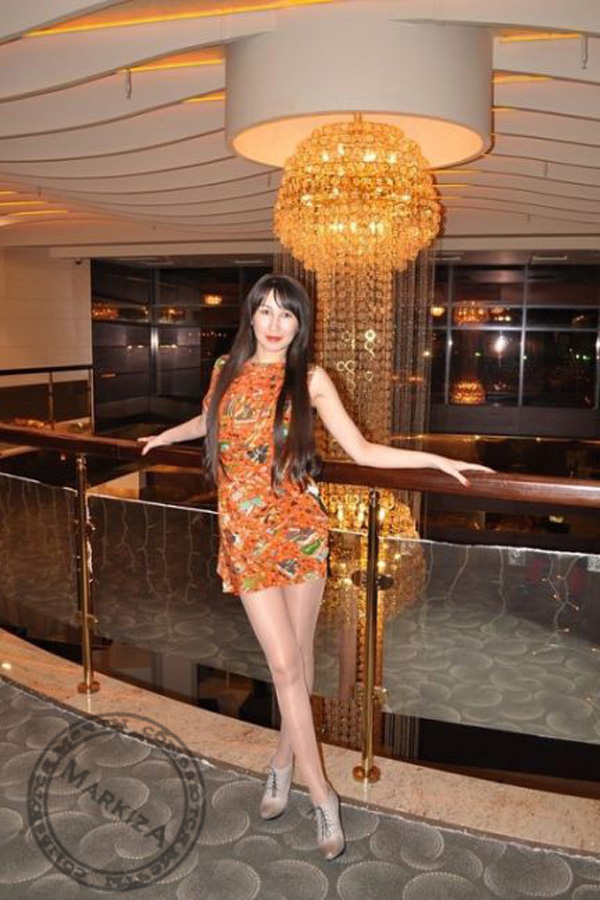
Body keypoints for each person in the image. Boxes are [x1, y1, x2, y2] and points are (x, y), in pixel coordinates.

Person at [140, 273, 491, 860]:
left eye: (288, 314)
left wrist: (436, 460)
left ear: (301, 324)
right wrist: (162, 436)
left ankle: (282, 763)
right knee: (283, 664)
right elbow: (208, 423)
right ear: (251, 316)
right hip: (245, 538)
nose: (275, 324)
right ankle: (322, 792)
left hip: (301, 534)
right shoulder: (226, 368)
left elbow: (362, 451)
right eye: (266, 312)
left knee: (297, 663)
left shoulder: (310, 379)